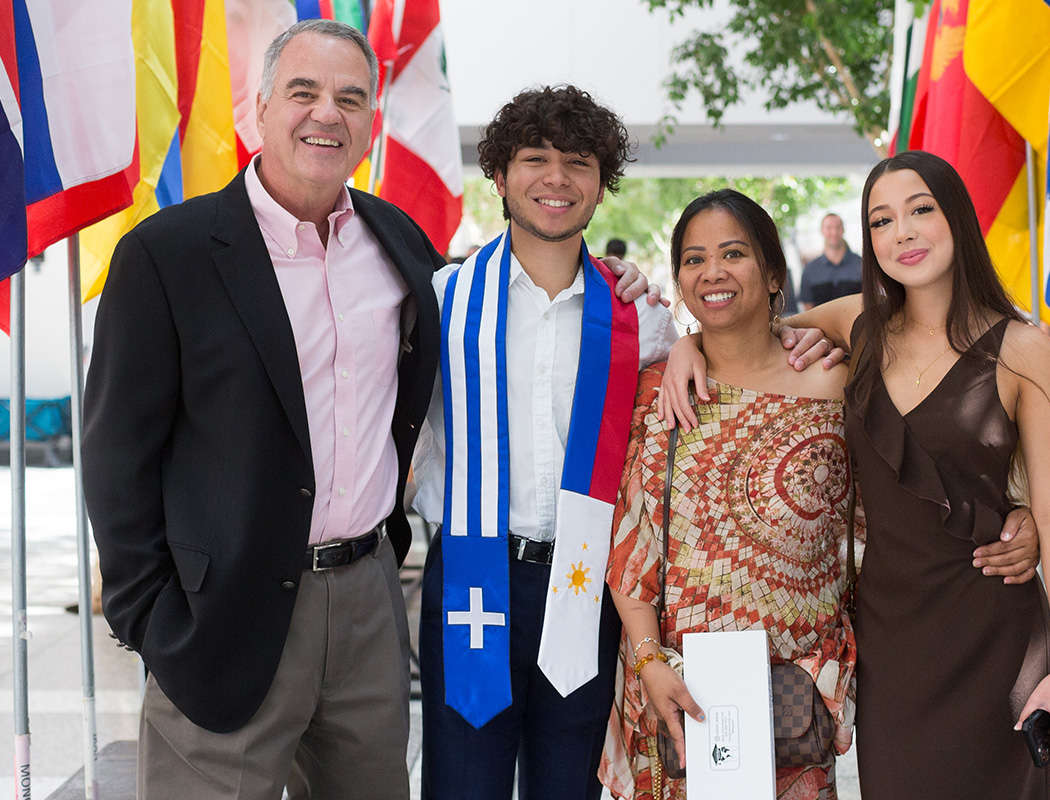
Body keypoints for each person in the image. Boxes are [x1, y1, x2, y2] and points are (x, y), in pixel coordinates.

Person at [82, 20, 438, 798]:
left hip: (369, 605)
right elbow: (116, 454)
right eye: (304, 92)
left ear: (371, 120)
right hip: (222, 615)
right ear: (260, 107)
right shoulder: (166, 254)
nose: (327, 114)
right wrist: (151, 616)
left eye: (351, 98)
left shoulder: (400, 243)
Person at [658, 152, 1050, 797]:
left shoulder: (1022, 347)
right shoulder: (855, 323)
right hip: (892, 637)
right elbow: (740, 331)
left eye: (921, 210)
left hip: (996, 629)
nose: (903, 233)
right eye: (881, 220)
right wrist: (685, 346)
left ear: (958, 218)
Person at [411, 85, 678, 800]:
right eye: (534, 158)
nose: (555, 178)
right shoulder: (442, 300)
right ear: (499, 177)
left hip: (588, 587)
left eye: (578, 162)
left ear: (600, 185)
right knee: (463, 784)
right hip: (473, 571)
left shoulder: (641, 322)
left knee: (571, 785)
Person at [603, 190, 858, 800]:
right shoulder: (658, 391)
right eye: (693, 260)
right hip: (680, 697)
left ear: (773, 273)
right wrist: (649, 662)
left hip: (796, 696)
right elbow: (629, 547)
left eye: (733, 253)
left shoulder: (834, 383)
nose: (711, 272)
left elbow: (903, 318)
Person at [799, 212, 862, 310]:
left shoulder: (861, 264)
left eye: (838, 227)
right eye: (829, 228)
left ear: (843, 230)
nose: (834, 232)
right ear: (822, 231)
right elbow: (808, 310)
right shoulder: (810, 271)